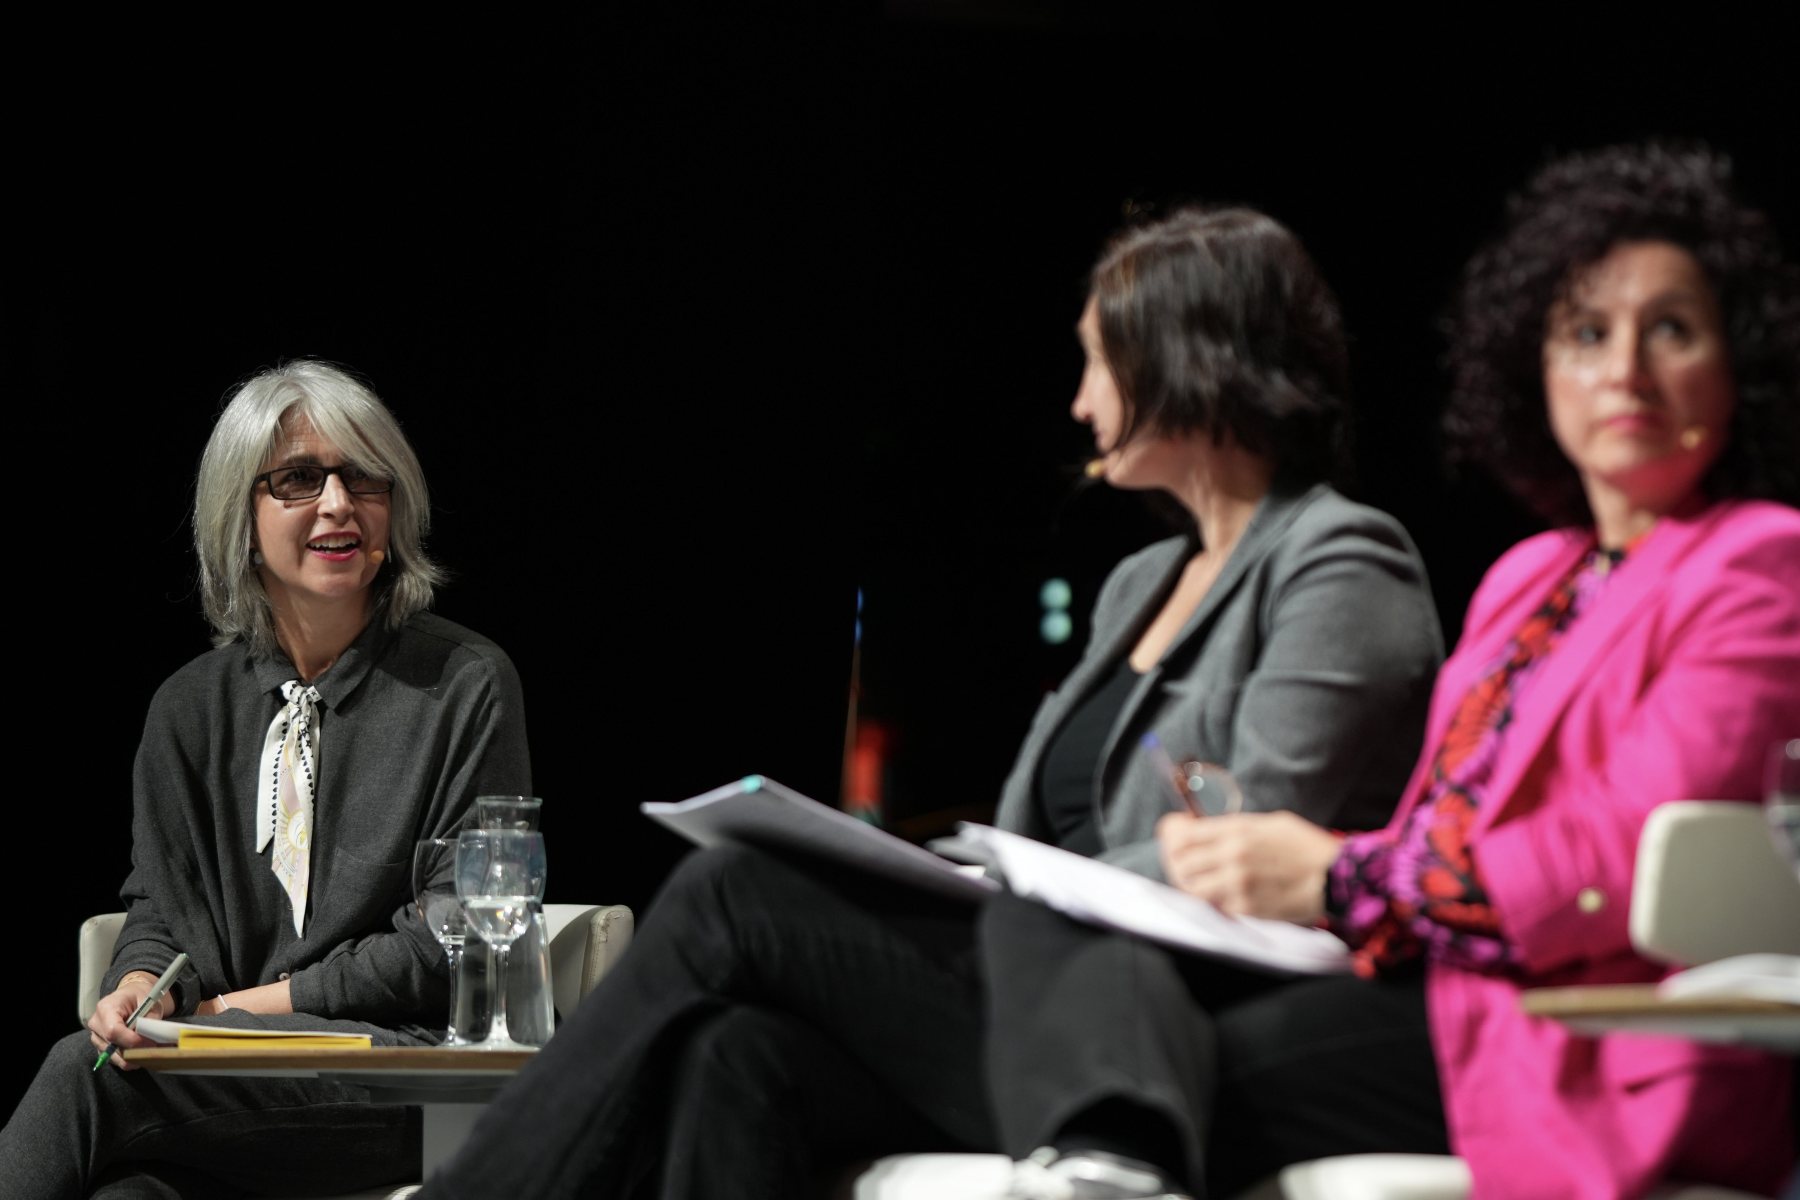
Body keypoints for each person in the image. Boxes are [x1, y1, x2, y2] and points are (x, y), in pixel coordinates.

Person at [416, 206, 1445, 1200]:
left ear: (1190, 360)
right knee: (736, 1053)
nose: (1082, 403)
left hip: (1189, 1009)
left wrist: (1018, 888)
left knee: (730, 891)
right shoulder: (1141, 583)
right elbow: (1042, 832)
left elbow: (1243, 852)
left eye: (1098, 361)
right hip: (1046, 973)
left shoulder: (1341, 561)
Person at [989, 141, 1799, 1200]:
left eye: (1673, 330)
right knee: (1091, 1034)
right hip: (1438, 995)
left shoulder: (1761, 559)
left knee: (1132, 1070)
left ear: (1738, 365)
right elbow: (1441, 829)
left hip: (1591, 1036)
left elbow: (1622, 849)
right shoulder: (1529, 577)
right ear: (1536, 366)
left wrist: (1341, 878)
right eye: (1587, 333)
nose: (1625, 371)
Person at [0, 360, 532, 1199]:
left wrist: (236, 1011)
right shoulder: (187, 707)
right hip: (240, 1078)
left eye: (363, 477)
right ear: (240, 518)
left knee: (83, 1076)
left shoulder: (465, 683)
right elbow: (162, 908)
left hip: (415, 1071)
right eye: (298, 480)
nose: (338, 503)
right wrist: (139, 987)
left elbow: (450, 943)